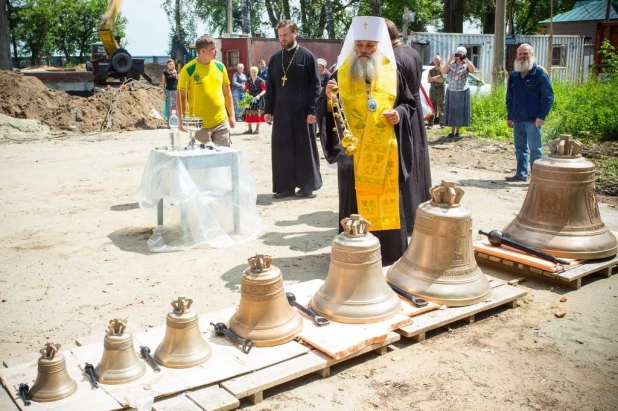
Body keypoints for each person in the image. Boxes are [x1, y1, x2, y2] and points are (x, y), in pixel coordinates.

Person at [318, 16, 416, 266]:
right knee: (354, 203)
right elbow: (327, 111)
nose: (363, 50)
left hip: (386, 152)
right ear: (352, 45)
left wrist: (399, 114)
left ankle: (391, 254)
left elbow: (408, 103)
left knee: (388, 200)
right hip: (353, 154)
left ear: (379, 44)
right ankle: (356, 254)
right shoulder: (340, 73)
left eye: (370, 45)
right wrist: (328, 99)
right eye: (359, 45)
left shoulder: (392, 72)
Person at [384, 18, 432, 236]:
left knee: (403, 167)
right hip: (413, 116)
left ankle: (405, 217)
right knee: (415, 164)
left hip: (399, 115)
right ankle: (417, 214)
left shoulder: (393, 59)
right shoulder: (411, 52)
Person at [264, 20, 322, 199]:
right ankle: (285, 186)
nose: (282, 38)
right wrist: (268, 110)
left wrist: (313, 111)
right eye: (280, 35)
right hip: (281, 112)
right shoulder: (275, 58)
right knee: (282, 149)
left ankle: (307, 186)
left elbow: (315, 85)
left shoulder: (307, 56)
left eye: (286, 35)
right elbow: (271, 86)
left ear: (295, 33)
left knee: (304, 148)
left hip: (303, 112)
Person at [506, 43, 554, 182]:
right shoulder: (514, 75)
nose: (522, 56)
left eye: (525, 53)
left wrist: (542, 116)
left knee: (535, 149)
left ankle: (537, 179)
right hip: (518, 119)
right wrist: (510, 116)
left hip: (534, 119)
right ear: (517, 56)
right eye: (520, 54)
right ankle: (521, 175)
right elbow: (509, 98)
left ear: (532, 55)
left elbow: (548, 96)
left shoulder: (539, 73)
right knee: (520, 149)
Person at [177, 35, 235, 147]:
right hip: (198, 125)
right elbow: (181, 96)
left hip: (220, 122)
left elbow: (227, 93)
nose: (216, 51)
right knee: (203, 160)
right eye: (213, 49)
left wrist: (231, 116)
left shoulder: (220, 67)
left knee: (224, 157)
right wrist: (182, 120)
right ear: (202, 51)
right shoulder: (188, 70)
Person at [441, 46, 475, 140]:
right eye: (457, 53)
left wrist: (466, 59)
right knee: (452, 111)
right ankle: (451, 132)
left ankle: (457, 132)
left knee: (459, 111)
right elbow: (443, 71)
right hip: (452, 90)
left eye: (460, 53)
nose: (458, 55)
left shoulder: (466, 64)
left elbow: (472, 70)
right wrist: (449, 60)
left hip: (462, 90)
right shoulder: (451, 64)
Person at [244, 66, 266, 134]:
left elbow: (264, 90)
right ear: (250, 72)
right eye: (252, 72)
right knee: (249, 113)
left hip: (258, 98)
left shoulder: (261, 81)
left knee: (257, 113)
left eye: (255, 72)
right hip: (250, 98)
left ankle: (257, 129)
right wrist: (247, 96)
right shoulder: (247, 80)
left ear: (257, 72)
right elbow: (247, 90)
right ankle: (249, 129)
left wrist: (259, 96)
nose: (253, 73)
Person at [427, 55, 445, 128]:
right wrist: (437, 77)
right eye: (435, 59)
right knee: (432, 106)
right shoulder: (431, 70)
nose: (436, 61)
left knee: (441, 106)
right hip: (433, 90)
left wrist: (433, 79)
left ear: (441, 60)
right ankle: (430, 124)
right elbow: (428, 80)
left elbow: (442, 80)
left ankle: (442, 123)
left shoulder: (443, 69)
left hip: (440, 90)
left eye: (437, 59)